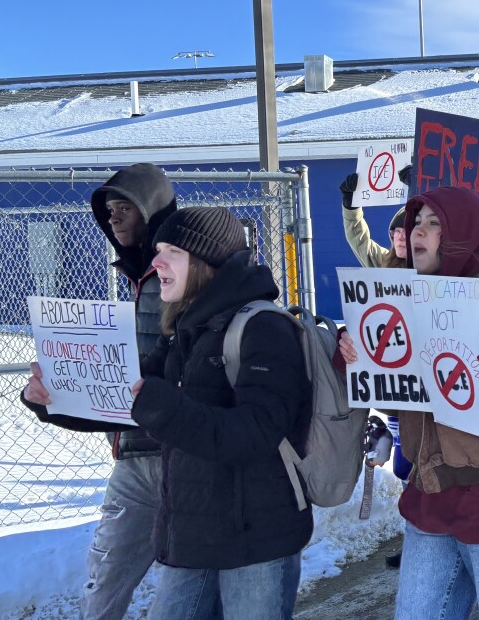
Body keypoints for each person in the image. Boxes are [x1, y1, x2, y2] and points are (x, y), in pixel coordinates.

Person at [342, 186, 479, 619]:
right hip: (431, 490)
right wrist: (355, 357)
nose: (419, 231)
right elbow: (399, 386)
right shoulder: (400, 295)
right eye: (416, 222)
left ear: (462, 234)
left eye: (434, 223)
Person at [131, 207, 311, 616]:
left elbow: (255, 432)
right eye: (158, 249)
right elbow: (127, 393)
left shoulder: (264, 328)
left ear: (205, 262)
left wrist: (160, 407)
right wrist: (56, 396)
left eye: (171, 251)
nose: (156, 261)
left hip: (257, 538)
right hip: (195, 531)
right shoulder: (187, 327)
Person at [20, 163, 176, 620]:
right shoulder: (134, 281)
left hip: (181, 456)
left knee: (184, 581)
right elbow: (121, 385)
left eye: (125, 207)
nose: (114, 219)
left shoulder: (182, 279)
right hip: (132, 455)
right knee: (105, 573)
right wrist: (50, 398)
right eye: (109, 211)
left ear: (152, 211)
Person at [339, 170, 414, 568]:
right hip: (393, 383)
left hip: (426, 382)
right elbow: (359, 237)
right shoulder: (380, 264)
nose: (401, 237)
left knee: (421, 463)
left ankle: (429, 537)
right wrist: (352, 205)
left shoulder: (434, 269)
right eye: (396, 231)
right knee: (403, 465)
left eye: (408, 229)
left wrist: (422, 192)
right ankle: (415, 537)